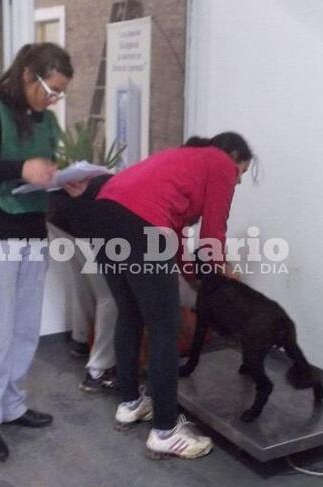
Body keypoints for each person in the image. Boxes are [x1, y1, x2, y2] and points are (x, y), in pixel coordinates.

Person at [0, 42, 85, 462]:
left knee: (25, 328)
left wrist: (63, 180)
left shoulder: (43, 119)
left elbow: (46, 169)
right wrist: (19, 169)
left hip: (31, 230)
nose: (53, 99)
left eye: (60, 93)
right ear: (29, 74)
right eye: (51, 89)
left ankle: (12, 406)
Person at [90, 132, 254, 459]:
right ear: (231, 156)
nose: (235, 183)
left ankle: (130, 404)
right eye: (240, 174)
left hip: (103, 216)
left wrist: (193, 278)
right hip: (141, 227)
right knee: (166, 326)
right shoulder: (218, 161)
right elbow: (213, 234)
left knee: (130, 314)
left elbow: (177, 237)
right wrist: (228, 275)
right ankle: (165, 432)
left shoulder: (181, 163)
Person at [48, 174, 119, 392]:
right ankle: (97, 371)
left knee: (82, 281)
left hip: (57, 216)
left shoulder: (150, 172)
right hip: (83, 221)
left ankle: (80, 340)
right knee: (112, 297)